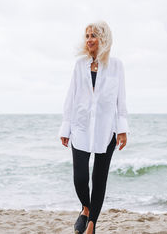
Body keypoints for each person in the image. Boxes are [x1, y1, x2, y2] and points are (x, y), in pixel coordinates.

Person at [58, 21, 130, 234]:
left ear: (104, 39)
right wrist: (66, 127)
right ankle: (86, 207)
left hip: (106, 129)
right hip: (80, 127)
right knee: (80, 178)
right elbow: (71, 96)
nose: (89, 39)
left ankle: (91, 225)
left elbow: (121, 99)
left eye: (93, 35)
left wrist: (123, 129)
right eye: (87, 35)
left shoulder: (116, 66)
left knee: (99, 179)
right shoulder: (80, 65)